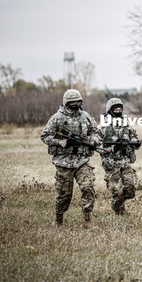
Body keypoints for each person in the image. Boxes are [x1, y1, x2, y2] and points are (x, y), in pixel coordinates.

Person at [41, 89, 99, 228]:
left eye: (78, 101)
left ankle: (87, 221)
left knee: (88, 187)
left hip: (82, 160)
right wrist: (60, 142)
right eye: (73, 102)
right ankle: (58, 220)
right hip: (63, 162)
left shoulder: (85, 116)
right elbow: (45, 136)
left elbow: (95, 131)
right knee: (64, 194)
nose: (76, 104)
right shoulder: (57, 118)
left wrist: (94, 140)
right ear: (66, 102)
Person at [97, 98, 140, 215]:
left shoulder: (126, 124)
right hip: (111, 162)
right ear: (110, 110)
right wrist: (111, 149)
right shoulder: (103, 126)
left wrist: (136, 143)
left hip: (125, 160)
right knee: (117, 190)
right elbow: (96, 144)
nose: (119, 111)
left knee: (130, 189)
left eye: (120, 109)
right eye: (116, 109)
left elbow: (134, 136)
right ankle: (119, 210)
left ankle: (118, 204)